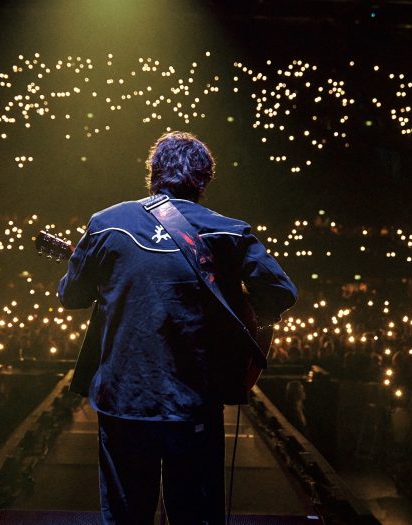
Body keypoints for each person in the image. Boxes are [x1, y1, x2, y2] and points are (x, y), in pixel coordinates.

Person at [57, 131, 297, 524]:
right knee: (195, 516)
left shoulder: (106, 224)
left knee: (125, 516)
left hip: (124, 402)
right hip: (196, 404)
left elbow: (71, 297)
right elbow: (280, 293)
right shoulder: (230, 232)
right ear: (203, 181)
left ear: (152, 173)